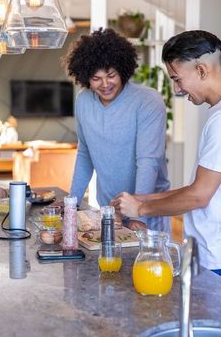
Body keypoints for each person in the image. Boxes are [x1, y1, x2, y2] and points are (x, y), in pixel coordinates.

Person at [112, 30, 221, 291]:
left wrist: (141, 210)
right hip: (215, 256)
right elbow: (198, 189)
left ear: (202, 70)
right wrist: (140, 199)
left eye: (178, 79)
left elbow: (199, 196)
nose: (177, 90)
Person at [65, 28, 170, 232]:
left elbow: (148, 161)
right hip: (109, 211)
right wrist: (72, 204)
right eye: (96, 78)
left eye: (111, 75)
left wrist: (139, 214)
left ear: (122, 69)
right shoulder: (84, 101)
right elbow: (85, 153)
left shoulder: (147, 101)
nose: (105, 84)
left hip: (147, 210)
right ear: (85, 77)